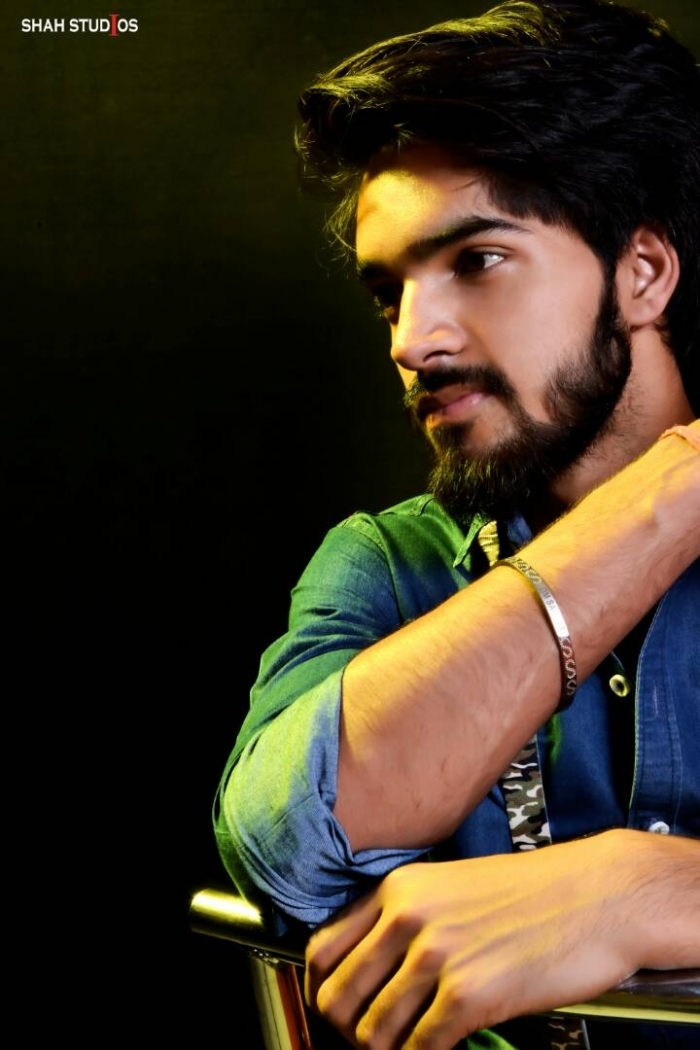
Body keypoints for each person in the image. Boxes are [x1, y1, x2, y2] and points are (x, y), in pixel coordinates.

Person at [213, 1, 700, 1046]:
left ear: (643, 273)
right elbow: (286, 849)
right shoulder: (389, 567)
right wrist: (672, 494)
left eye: (475, 261)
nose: (411, 340)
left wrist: (650, 889)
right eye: (387, 293)